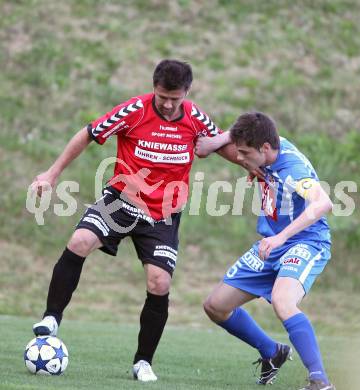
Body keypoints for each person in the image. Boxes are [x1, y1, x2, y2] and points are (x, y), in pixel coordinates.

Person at [30, 59, 233, 382]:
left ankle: (143, 362)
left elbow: (222, 145)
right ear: (154, 88)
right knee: (80, 241)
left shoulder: (195, 117)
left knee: (160, 282)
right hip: (122, 201)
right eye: (162, 96)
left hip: (163, 214)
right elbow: (87, 133)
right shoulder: (135, 110)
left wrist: (255, 167)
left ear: (186, 93)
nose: (167, 104)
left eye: (174, 99)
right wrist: (52, 174)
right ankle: (52, 318)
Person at [197, 112, 335, 390]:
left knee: (283, 302)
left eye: (244, 153)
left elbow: (323, 204)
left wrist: (281, 237)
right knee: (216, 306)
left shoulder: (292, 169)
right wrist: (214, 142)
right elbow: (240, 128)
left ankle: (320, 381)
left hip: (306, 242)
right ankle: (272, 352)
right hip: (270, 244)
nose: (239, 158)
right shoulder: (269, 143)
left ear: (265, 149)